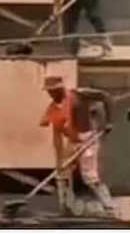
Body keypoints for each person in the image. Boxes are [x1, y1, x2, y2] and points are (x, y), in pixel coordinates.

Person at [40, 76, 115, 215]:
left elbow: (106, 97)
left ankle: (109, 207)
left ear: (61, 88)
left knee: (90, 176)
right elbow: (57, 136)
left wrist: (109, 121)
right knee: (62, 174)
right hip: (72, 141)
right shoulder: (54, 109)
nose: (51, 94)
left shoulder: (79, 94)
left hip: (88, 138)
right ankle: (65, 207)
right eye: (49, 92)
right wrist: (59, 161)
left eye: (53, 91)